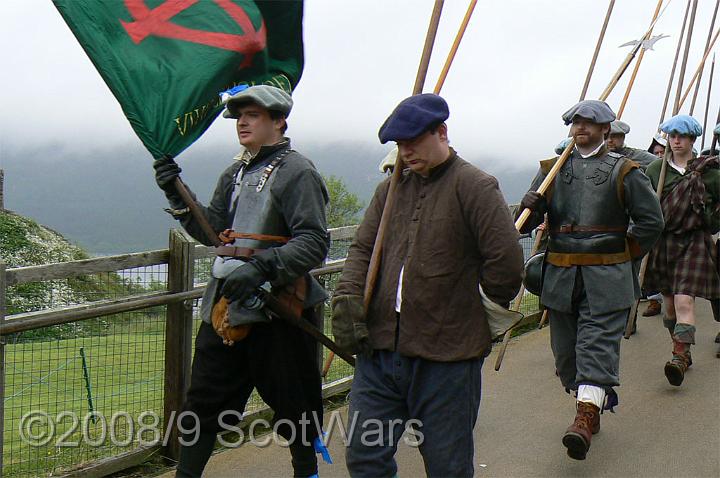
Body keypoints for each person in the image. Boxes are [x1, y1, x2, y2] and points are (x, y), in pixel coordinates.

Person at [332, 94, 524, 477]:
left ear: (442, 132)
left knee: (446, 466)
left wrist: (469, 311)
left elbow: (505, 264)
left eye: (413, 142)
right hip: (381, 351)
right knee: (365, 457)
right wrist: (348, 299)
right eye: (400, 145)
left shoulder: (475, 186)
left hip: (448, 360)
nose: (406, 152)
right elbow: (363, 251)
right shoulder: (389, 192)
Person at [153, 85, 330, 478]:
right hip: (226, 304)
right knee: (202, 402)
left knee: (294, 404)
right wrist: (176, 192)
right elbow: (214, 231)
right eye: (239, 117)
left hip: (280, 309)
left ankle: (306, 472)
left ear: (279, 121)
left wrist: (264, 267)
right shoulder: (234, 173)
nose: (243, 123)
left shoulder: (298, 171)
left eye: (253, 115)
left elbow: (315, 241)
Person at [518, 100, 664, 460]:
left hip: (607, 276)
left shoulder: (626, 171)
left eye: (588, 123)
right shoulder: (552, 170)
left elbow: (651, 223)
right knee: (566, 357)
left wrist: (624, 254)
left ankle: (583, 418)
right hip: (561, 276)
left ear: (604, 129)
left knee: (596, 348)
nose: (580, 128)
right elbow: (527, 219)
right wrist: (531, 205)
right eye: (575, 123)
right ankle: (591, 400)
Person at [644, 115, 720, 386]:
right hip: (663, 243)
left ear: (692, 139)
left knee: (684, 300)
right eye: (671, 135)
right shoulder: (655, 170)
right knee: (669, 307)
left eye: (681, 135)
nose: (675, 140)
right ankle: (681, 347)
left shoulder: (709, 171)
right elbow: (643, 207)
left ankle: (679, 356)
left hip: (694, 241)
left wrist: (711, 220)